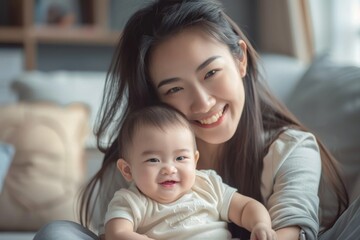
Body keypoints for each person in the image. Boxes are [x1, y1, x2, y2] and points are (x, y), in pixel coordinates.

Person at [33, 0, 360, 240]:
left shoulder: (290, 147)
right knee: (58, 233)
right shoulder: (139, 159)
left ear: (240, 59)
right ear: (155, 99)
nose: (203, 102)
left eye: (211, 72)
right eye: (175, 88)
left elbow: (287, 233)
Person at [104, 105, 276, 240]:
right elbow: (116, 233)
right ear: (127, 170)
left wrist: (260, 225)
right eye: (153, 160)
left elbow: (245, 207)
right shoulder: (131, 201)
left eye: (180, 158)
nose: (169, 169)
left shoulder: (207, 184)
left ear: (194, 160)